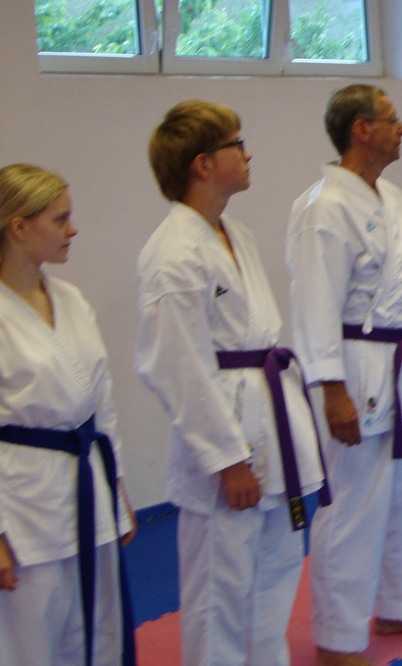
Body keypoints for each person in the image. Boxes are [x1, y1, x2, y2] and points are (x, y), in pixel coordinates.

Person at [135, 102, 326, 666]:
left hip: (270, 417)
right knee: (219, 594)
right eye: (236, 146)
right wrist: (227, 459)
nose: (247, 155)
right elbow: (177, 368)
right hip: (225, 441)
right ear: (203, 164)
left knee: (275, 576)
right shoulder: (171, 253)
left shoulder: (233, 233)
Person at [286, 86, 402, 666]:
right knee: (354, 503)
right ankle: (337, 639)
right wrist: (331, 390)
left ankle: (400, 606)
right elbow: (314, 306)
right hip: (357, 366)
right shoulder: (323, 208)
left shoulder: (394, 196)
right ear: (362, 129)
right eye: (392, 120)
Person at [0, 164, 136, 666]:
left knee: (96, 632)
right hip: (22, 503)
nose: (72, 230)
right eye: (60, 220)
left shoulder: (71, 300)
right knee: (29, 640)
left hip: (87, 482)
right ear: (18, 227)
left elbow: (102, 403)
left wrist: (117, 488)